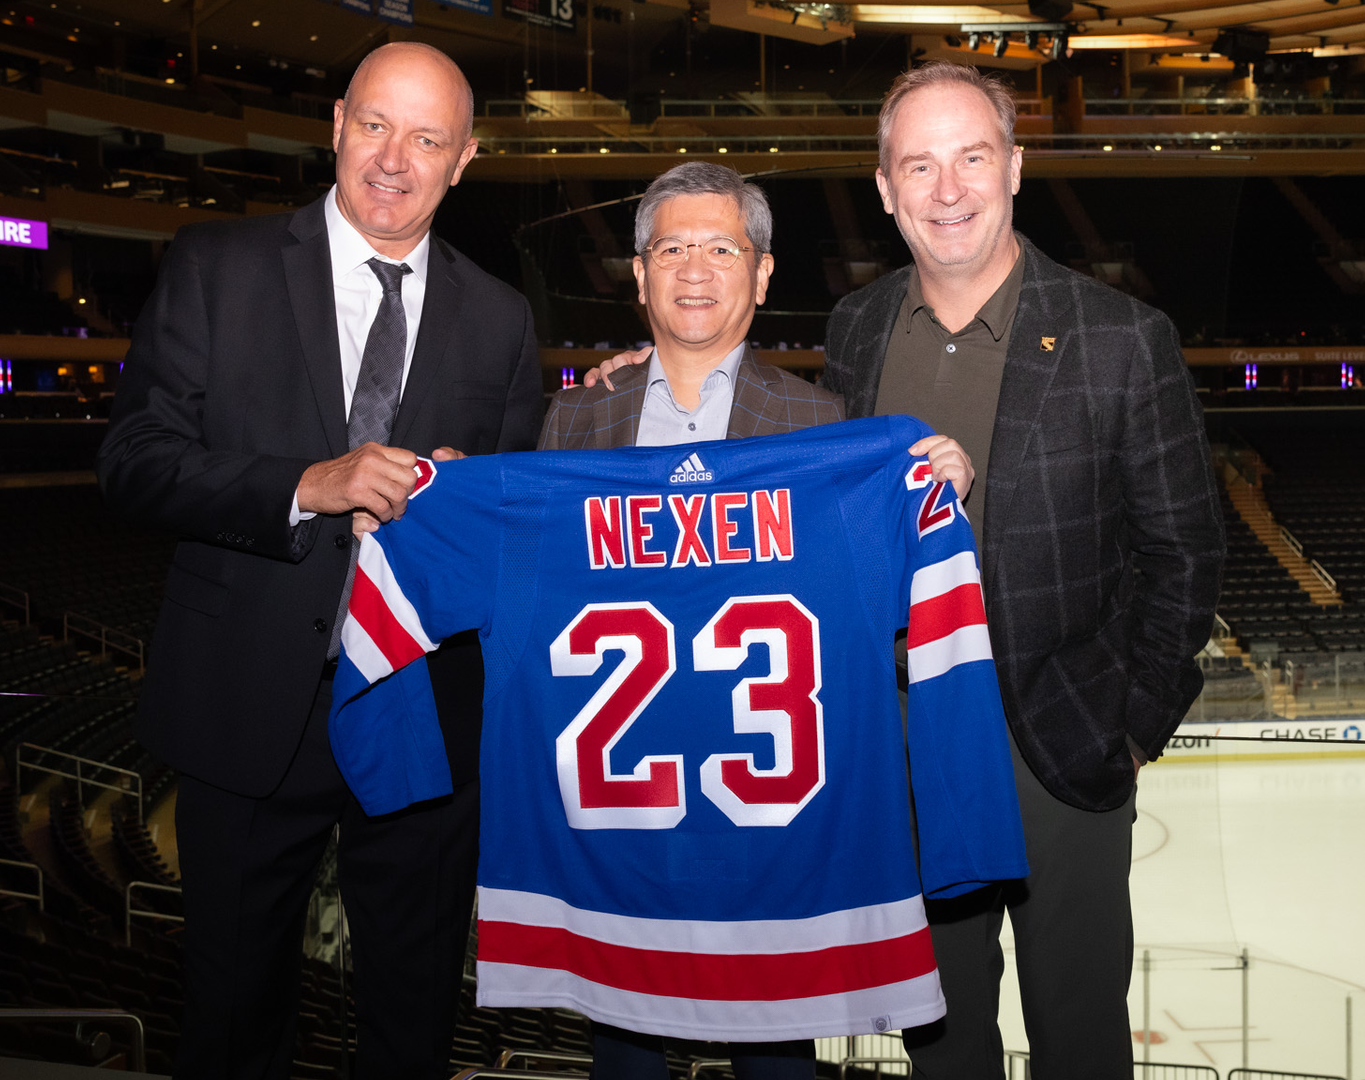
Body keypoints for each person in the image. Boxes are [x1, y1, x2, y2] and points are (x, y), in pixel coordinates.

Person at [96, 42, 543, 1080]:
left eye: (426, 139)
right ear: (337, 123)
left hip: (423, 714)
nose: (393, 159)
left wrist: (469, 503)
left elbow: (515, 522)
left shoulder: (502, 317)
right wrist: (307, 483)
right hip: (247, 706)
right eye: (375, 125)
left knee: (411, 1024)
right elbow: (134, 462)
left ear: (463, 160)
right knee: (232, 1021)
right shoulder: (218, 266)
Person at [824, 61, 1226, 1080]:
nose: (947, 189)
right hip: (907, 746)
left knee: (1079, 1038)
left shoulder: (1121, 337)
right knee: (941, 1039)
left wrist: (1129, 728)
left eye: (972, 158)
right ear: (885, 188)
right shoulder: (856, 328)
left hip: (1060, 745)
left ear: (1013, 169)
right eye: (919, 165)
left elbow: (1185, 552)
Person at [542, 160, 975, 1080]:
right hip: (622, 813)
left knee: (777, 1055)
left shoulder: (821, 425)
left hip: (770, 813)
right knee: (623, 1051)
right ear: (639, 273)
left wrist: (925, 499)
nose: (695, 270)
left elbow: (871, 618)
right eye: (672, 249)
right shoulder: (575, 422)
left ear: (763, 272)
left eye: (722, 249)